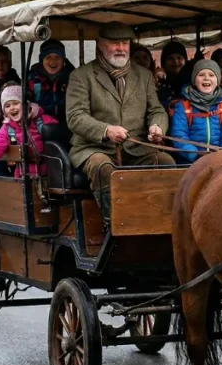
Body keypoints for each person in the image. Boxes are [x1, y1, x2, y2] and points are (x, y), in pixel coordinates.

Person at [66, 21, 172, 220]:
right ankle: (115, 224)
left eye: (125, 43)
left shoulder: (143, 75)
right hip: (95, 148)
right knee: (103, 167)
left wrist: (157, 126)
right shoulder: (81, 76)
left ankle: (161, 221)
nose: (121, 48)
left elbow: (157, 110)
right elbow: (75, 117)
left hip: (137, 148)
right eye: (115, 43)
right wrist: (106, 130)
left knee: (167, 162)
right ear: (100, 44)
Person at [0, 85, 59, 178]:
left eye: (15, 103)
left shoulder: (42, 121)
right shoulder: (7, 128)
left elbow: (61, 140)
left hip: (48, 178)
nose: (12, 108)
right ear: (4, 111)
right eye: (7, 106)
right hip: (22, 179)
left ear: (26, 104)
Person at [169, 59, 222, 164]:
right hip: (191, 162)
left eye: (211, 75)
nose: (206, 78)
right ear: (194, 80)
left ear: (217, 80)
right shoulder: (183, 106)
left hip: (219, 162)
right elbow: (179, 136)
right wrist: (196, 156)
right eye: (201, 75)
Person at [27, 39, 74, 121]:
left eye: (57, 57)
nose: (53, 61)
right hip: (39, 123)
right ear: (41, 60)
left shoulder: (73, 78)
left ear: (63, 60)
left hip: (69, 122)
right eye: (48, 57)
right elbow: (24, 102)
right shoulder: (32, 79)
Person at [157, 40, 188, 109]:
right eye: (170, 58)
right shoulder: (158, 85)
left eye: (179, 58)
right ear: (163, 62)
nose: (175, 62)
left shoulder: (194, 83)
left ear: (185, 60)